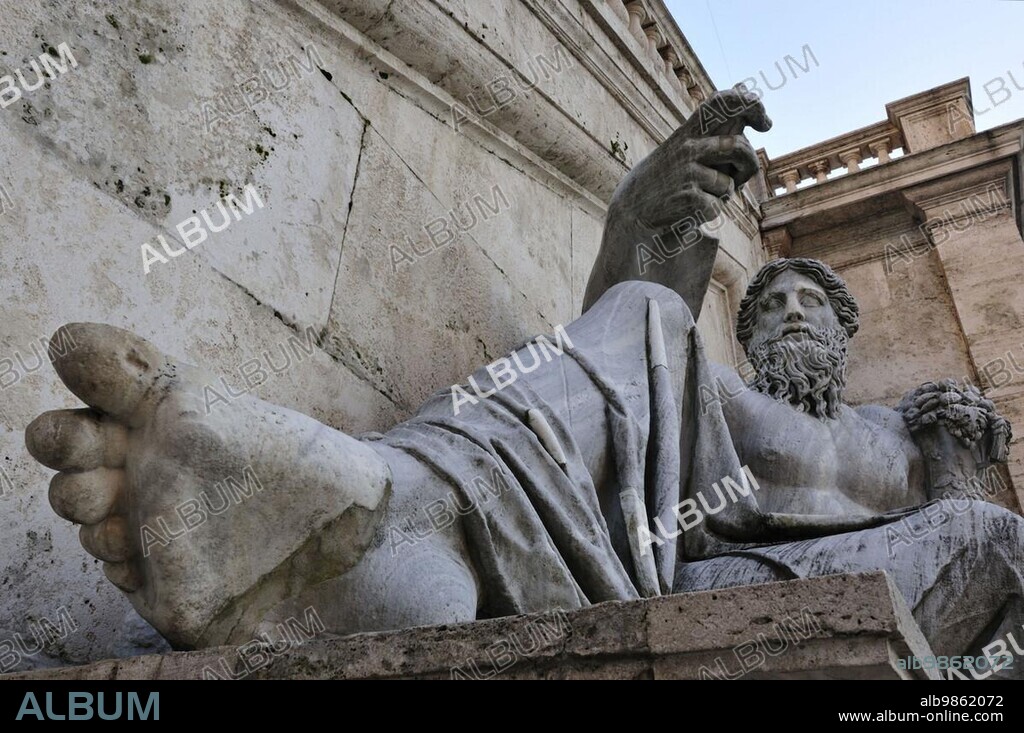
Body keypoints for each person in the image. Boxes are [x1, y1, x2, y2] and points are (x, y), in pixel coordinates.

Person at [24, 89, 1024, 677]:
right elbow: (609, 348)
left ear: (849, 332)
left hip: (757, 578)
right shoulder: (721, 390)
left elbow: (979, 555)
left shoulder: (901, 428)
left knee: (992, 536)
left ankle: (383, 526)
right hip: (628, 548)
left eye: (810, 301)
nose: (789, 313)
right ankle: (391, 512)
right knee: (647, 312)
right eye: (765, 306)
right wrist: (642, 219)